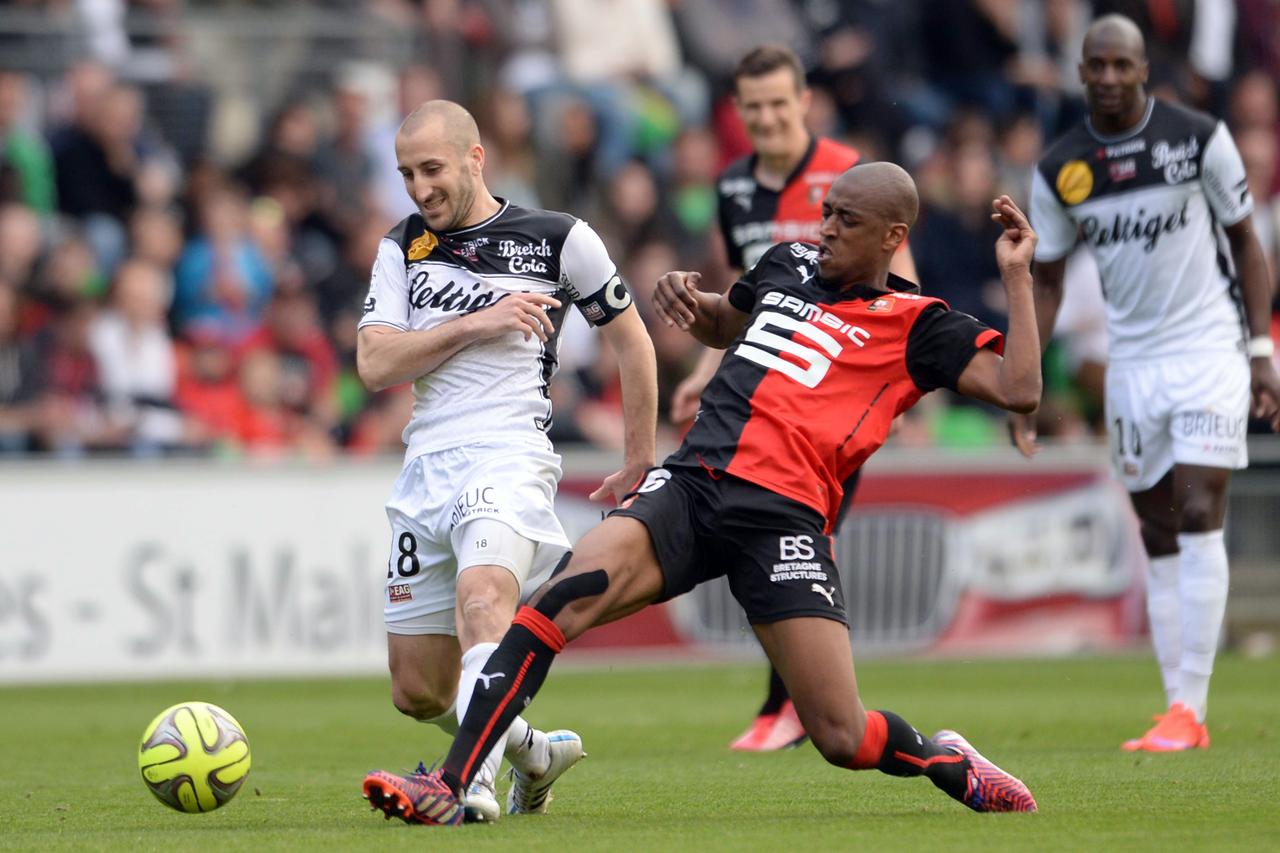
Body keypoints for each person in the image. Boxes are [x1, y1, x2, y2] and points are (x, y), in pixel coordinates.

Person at [362, 163, 1043, 825]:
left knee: (839, 733)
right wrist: (693, 305)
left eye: (847, 220)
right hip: (691, 488)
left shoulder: (918, 324)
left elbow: (1020, 389)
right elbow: (730, 322)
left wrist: (1015, 276)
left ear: (893, 237)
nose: (826, 228)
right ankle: (453, 782)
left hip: (782, 521)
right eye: (827, 211)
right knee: (550, 607)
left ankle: (944, 757)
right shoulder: (787, 263)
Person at [356, 100, 657, 821]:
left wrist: (640, 457)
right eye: (406, 173)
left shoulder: (559, 239)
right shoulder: (403, 247)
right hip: (425, 463)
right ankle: (534, 752)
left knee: (483, 602)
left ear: (474, 157)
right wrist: (479, 323)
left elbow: (632, 343)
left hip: (509, 454)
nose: (419, 187)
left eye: (432, 169)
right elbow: (374, 362)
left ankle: (469, 783)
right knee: (417, 691)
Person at [1016, 15, 1280, 752]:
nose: (1106, 77)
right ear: (1080, 73)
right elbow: (1048, 281)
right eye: (1094, 66)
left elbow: (1246, 243)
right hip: (1132, 365)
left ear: (1141, 71)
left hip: (1207, 349)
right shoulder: (1061, 169)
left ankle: (1190, 708)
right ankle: (1176, 708)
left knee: (1199, 507)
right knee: (1159, 527)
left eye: (1119, 65)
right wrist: (1024, 383)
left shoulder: (1197, 138)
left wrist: (1260, 348)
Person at [671, 43, 918, 752]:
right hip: (764, 391)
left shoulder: (848, 173)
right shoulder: (733, 187)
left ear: (804, 101)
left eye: (781, 103)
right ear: (739, 114)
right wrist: (703, 368)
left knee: (801, 535)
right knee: (776, 533)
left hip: (837, 391)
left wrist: (900, 385)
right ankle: (790, 701)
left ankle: (790, 702)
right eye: (754, 107)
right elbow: (744, 298)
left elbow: (901, 279)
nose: (769, 118)